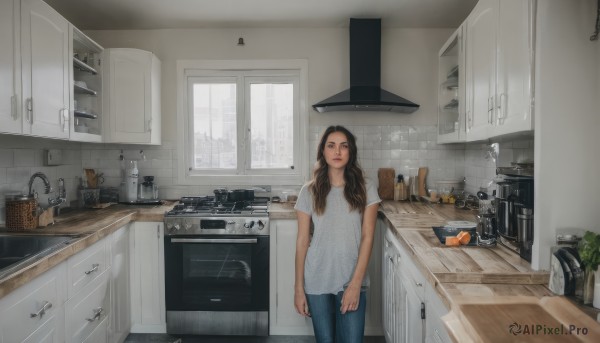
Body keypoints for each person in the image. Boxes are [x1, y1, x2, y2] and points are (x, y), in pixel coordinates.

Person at [294, 125, 381, 343]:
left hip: (351, 278)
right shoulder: (309, 191)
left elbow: (367, 237)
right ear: (323, 151)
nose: (337, 152)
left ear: (351, 152)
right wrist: (298, 288)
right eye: (331, 146)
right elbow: (303, 241)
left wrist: (356, 283)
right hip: (316, 278)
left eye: (344, 146)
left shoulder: (366, 187)